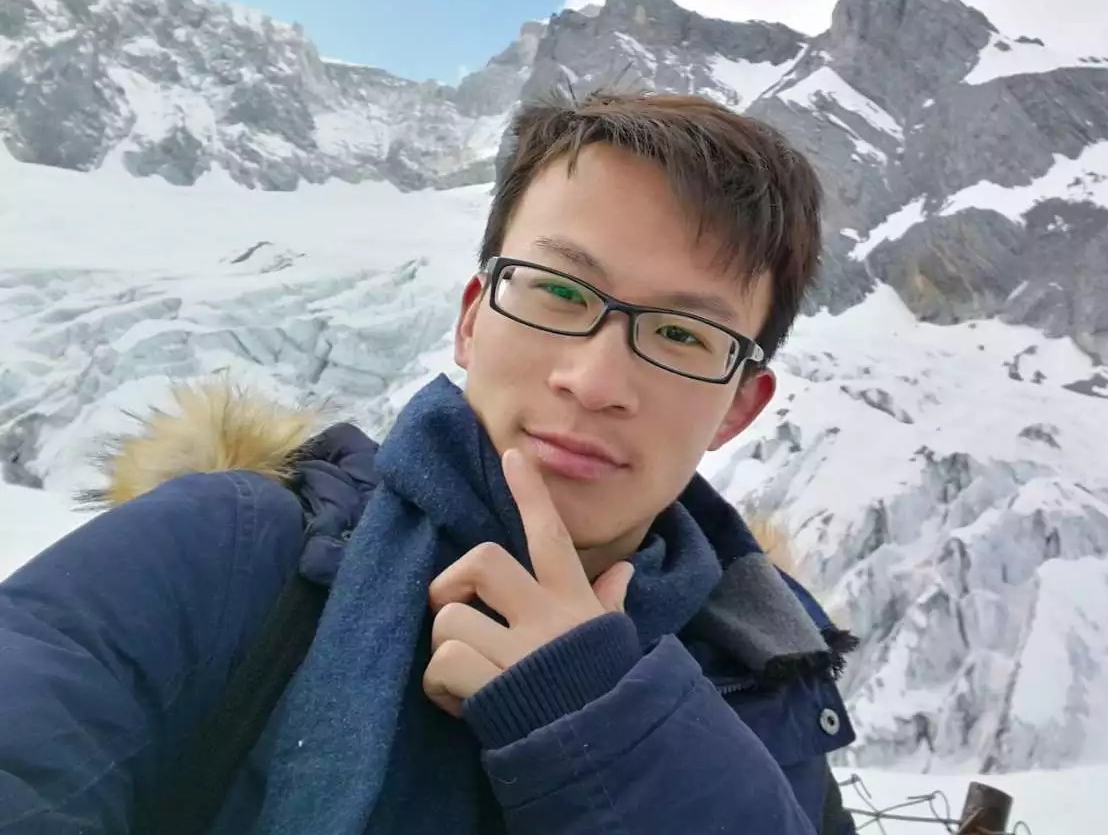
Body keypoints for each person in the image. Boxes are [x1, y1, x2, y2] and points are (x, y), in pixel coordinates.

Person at [0, 90, 860, 834]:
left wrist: (607, 730)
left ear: (738, 407)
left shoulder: (769, 683)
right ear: (472, 320)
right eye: (559, 291)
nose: (595, 381)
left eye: (681, 334)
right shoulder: (222, 555)